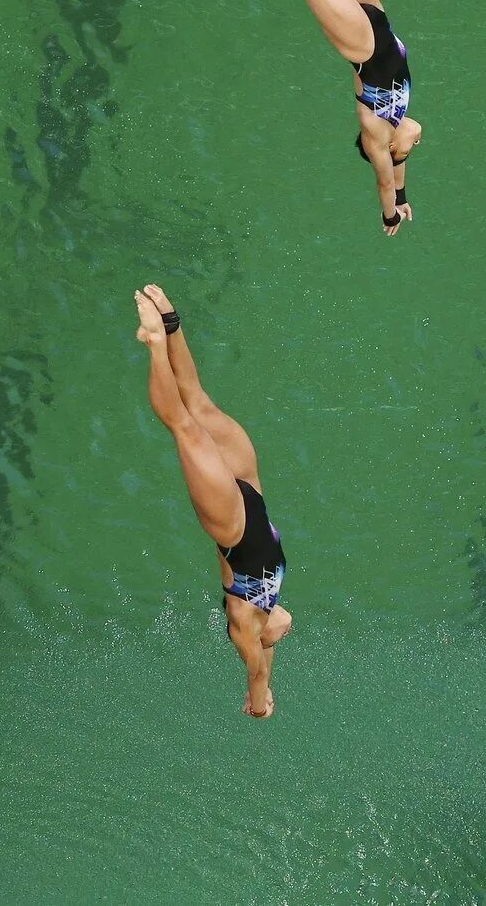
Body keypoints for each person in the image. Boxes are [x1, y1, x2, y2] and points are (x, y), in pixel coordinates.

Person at [226, 0, 422, 235]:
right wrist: (402, 197)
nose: (417, 143)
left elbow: (384, 178)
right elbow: (396, 175)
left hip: (364, 45)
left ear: (390, 150)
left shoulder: (377, 135)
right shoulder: (396, 130)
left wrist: (389, 215)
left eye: (409, 151)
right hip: (376, 13)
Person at [134, 283, 292, 718]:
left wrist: (261, 698)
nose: (281, 629)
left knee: (194, 413)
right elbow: (260, 669)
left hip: (248, 509)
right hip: (239, 512)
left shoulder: (254, 613)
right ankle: (158, 335)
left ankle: (166, 327)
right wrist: (259, 699)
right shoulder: (251, 621)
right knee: (188, 418)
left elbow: (261, 668)